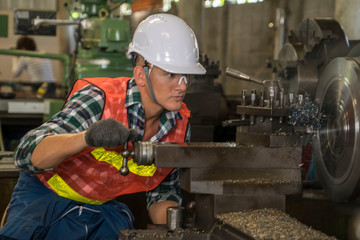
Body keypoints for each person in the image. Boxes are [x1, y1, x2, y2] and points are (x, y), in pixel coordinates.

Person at [0, 13, 205, 239]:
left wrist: (182, 223)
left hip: (100, 209)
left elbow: (162, 192)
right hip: (44, 200)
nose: (182, 85)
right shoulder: (100, 99)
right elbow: (25, 152)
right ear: (140, 74)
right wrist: (86, 137)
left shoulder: (179, 125)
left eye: (186, 75)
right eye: (171, 74)